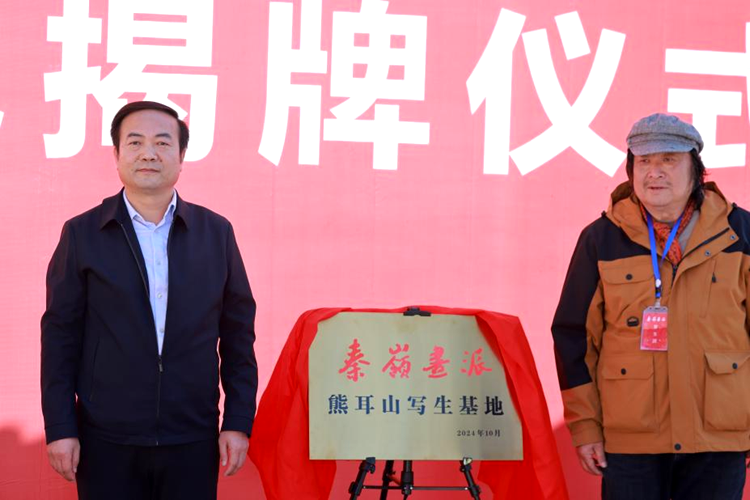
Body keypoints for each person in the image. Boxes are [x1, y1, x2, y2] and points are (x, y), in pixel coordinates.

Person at [41, 101, 258, 499]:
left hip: (192, 437)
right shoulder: (83, 234)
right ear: (117, 154)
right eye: (135, 142)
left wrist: (238, 420)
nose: (148, 153)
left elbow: (238, 335)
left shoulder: (216, 233)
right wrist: (60, 427)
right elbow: (60, 336)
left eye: (162, 142)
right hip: (106, 439)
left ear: (181, 155)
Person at [552, 113, 749, 500]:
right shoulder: (602, 238)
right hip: (631, 441)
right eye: (644, 161)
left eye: (668, 160)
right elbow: (574, 338)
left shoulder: (739, 233)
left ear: (696, 169)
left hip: (718, 437)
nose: (654, 172)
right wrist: (586, 427)